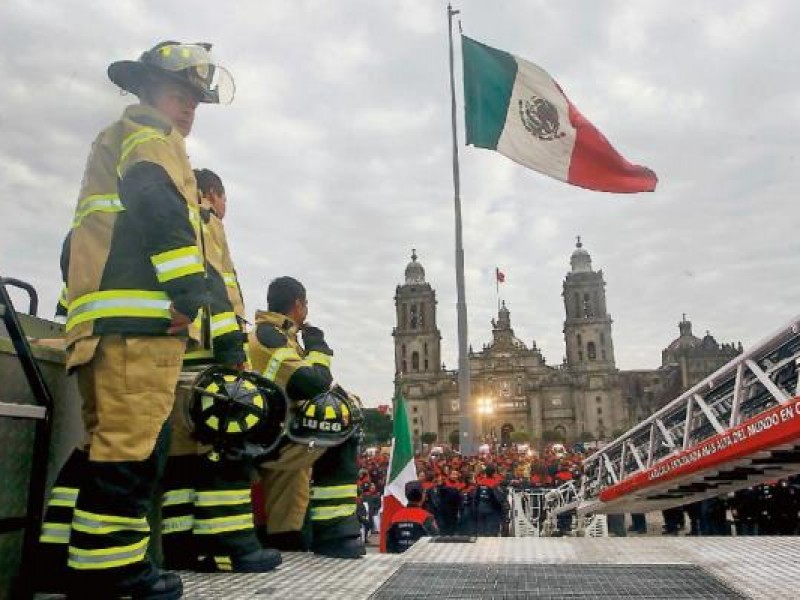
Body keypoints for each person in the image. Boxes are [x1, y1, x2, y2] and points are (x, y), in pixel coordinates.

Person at [37, 41, 235, 599]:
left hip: (106, 324)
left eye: (195, 103)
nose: (188, 112)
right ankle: (111, 574)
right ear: (147, 91)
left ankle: (60, 558)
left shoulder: (115, 140)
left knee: (101, 447)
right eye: (180, 96)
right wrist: (188, 293)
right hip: (140, 328)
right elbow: (158, 209)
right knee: (131, 452)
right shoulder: (152, 138)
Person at [159, 168, 281, 574]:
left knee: (179, 463)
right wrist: (232, 350)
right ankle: (230, 548)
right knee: (223, 450)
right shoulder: (204, 220)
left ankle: (179, 548)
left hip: (171, 358)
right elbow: (215, 289)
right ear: (214, 193)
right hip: (207, 356)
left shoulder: (161, 215)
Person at [249, 276, 365, 558]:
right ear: (299, 304)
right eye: (306, 304)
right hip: (267, 436)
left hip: (272, 430)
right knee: (338, 431)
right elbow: (313, 382)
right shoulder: (268, 335)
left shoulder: (280, 336)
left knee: (293, 479)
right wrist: (318, 347)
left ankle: (286, 537)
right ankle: (335, 531)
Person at [386, 481, 438, 554]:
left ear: (406, 495)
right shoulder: (427, 517)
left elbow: (389, 544)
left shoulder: (395, 516)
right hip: (420, 559)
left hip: (399, 559)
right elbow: (435, 541)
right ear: (423, 495)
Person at [472, 464, 506, 537]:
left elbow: (475, 498)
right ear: (493, 473)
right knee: (492, 534)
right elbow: (498, 499)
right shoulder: (494, 484)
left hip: (480, 509)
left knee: (481, 533)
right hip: (492, 511)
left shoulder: (480, 483)